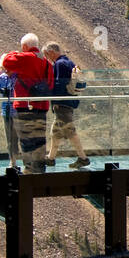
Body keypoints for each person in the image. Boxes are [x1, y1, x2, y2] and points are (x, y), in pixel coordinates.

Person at [0, 33, 55, 174]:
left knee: (26, 138)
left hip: (25, 105)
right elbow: (50, 83)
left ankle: (29, 170)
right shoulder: (47, 62)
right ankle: (39, 168)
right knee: (39, 138)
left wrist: (14, 53)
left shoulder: (25, 57)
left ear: (25, 46)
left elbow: (6, 61)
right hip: (42, 106)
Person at [42, 41, 90, 169]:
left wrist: (46, 91)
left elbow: (59, 84)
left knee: (70, 130)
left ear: (51, 52)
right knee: (56, 131)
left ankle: (83, 158)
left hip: (62, 103)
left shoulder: (59, 64)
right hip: (70, 100)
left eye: (46, 54)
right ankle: (51, 158)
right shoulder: (69, 62)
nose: (47, 58)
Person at [0, 66, 21, 169]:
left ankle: (26, 160)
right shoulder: (3, 77)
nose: (5, 69)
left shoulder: (19, 76)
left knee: (20, 137)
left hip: (19, 111)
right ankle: (13, 162)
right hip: (6, 111)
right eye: (3, 66)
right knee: (10, 138)